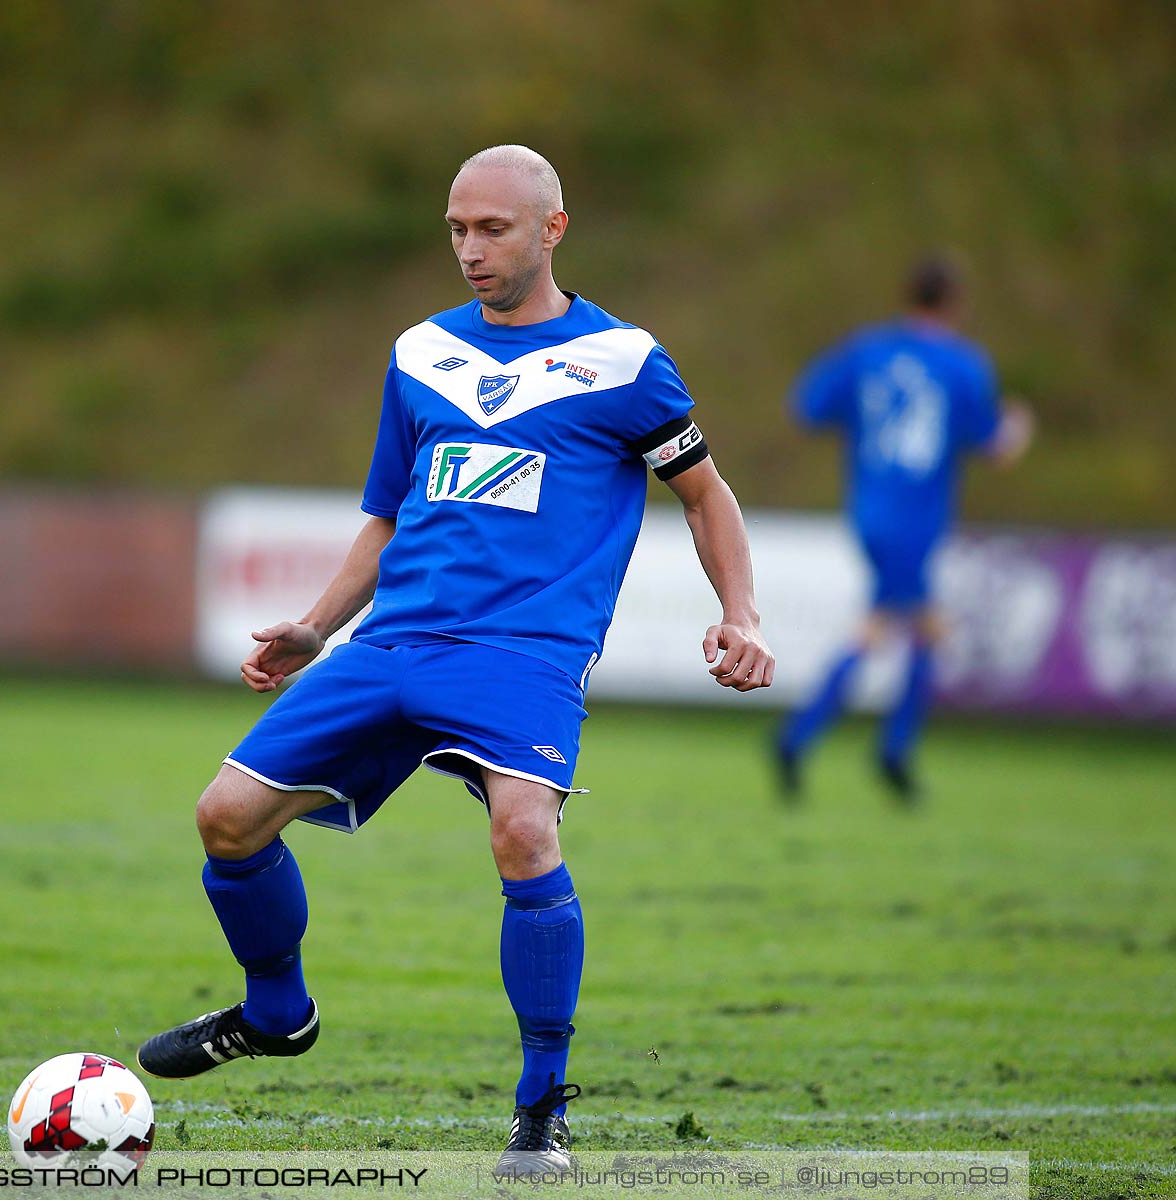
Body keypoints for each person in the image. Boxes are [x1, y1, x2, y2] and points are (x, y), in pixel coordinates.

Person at [134, 146, 774, 1176]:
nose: (470, 251)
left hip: (523, 651)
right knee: (225, 817)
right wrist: (316, 624)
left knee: (525, 831)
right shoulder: (421, 353)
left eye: (494, 230)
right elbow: (388, 514)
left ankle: (541, 1109)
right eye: (456, 230)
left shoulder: (623, 362)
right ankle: (276, 1013)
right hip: (390, 641)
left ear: (553, 229)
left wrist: (741, 613)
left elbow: (706, 495)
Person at [774, 255, 1031, 803]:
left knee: (919, 627)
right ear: (955, 303)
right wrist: (1017, 427)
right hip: (916, 518)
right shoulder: (963, 364)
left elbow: (807, 407)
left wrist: (863, 424)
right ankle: (824, 742)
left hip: (868, 508)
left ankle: (875, 750)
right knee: (892, 628)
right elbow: (994, 446)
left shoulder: (867, 349)